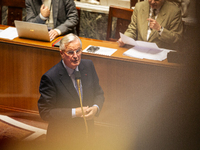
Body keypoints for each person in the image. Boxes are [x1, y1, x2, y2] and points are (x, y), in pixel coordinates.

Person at [38, 33, 104, 148]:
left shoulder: (88, 66)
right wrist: (74, 113)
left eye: (78, 51)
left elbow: (99, 93)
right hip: (62, 138)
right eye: (70, 52)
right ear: (62, 53)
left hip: (87, 134)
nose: (75, 56)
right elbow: (45, 112)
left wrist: (95, 108)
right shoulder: (50, 77)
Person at [118, 0, 183, 50]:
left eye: (156, 0)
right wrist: (124, 39)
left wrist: (160, 29)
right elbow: (132, 29)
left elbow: (177, 38)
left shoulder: (174, 11)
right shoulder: (139, 6)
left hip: (160, 53)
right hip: (140, 51)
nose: (152, 2)